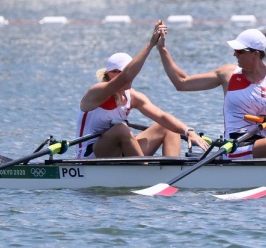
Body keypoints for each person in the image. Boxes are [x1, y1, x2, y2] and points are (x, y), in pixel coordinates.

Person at [157, 27, 266, 159]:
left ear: (256, 53)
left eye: (240, 51)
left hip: (261, 145)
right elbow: (182, 83)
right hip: (235, 148)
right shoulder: (228, 74)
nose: (235, 54)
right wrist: (162, 49)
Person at [75, 20, 207, 159]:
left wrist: (188, 131)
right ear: (110, 73)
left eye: (127, 71)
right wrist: (151, 44)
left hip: (118, 152)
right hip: (90, 155)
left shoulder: (133, 97)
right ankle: (144, 170)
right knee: (121, 129)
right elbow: (126, 76)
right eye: (119, 72)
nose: (129, 77)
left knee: (168, 126)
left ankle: (171, 173)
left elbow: (161, 116)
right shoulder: (97, 92)